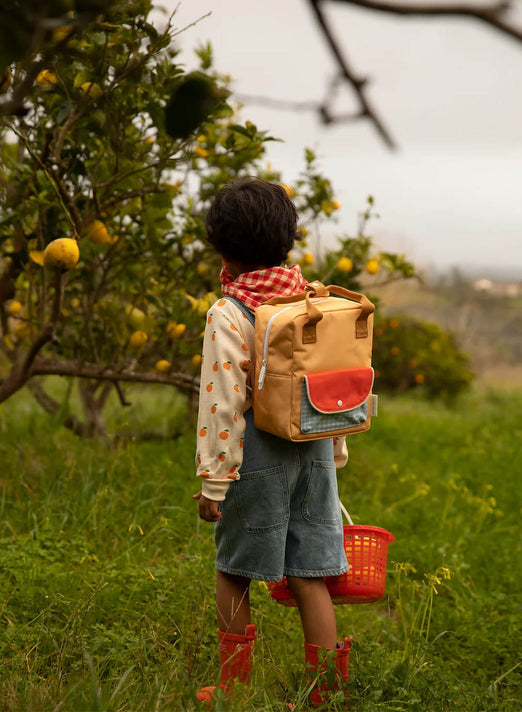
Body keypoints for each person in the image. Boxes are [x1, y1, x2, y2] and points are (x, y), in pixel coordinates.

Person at [193, 177, 351, 708]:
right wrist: (335, 452)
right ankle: (323, 693)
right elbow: (332, 387)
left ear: (222, 247)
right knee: (311, 576)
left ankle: (234, 688)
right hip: (315, 457)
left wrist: (214, 482)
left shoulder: (230, 313)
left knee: (234, 569)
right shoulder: (313, 302)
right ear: (289, 240)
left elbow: (222, 404)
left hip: (255, 465)